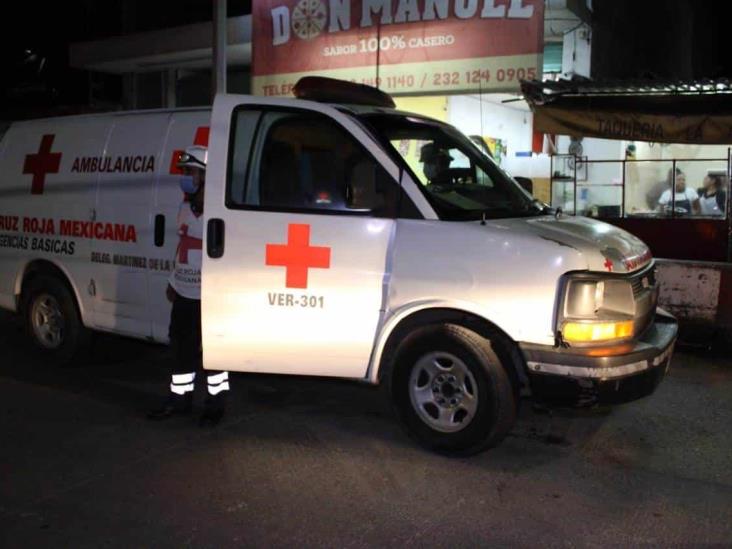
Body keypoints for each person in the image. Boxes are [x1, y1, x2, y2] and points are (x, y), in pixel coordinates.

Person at [148, 145, 230, 426]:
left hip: (208, 297)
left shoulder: (221, 212)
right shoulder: (185, 207)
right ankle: (180, 401)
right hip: (183, 292)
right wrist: (173, 280)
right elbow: (181, 246)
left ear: (207, 176)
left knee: (212, 355)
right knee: (180, 351)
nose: (186, 177)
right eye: (185, 172)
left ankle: (214, 406)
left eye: (191, 172)